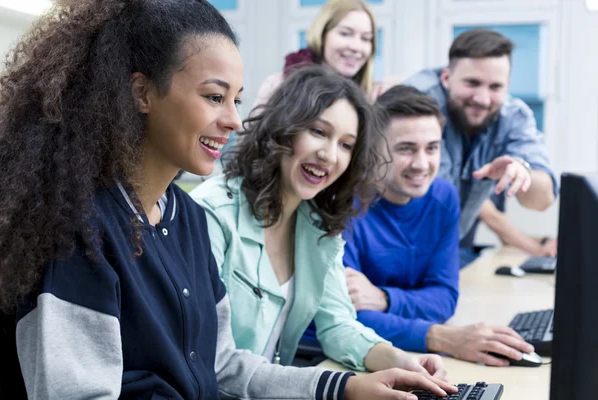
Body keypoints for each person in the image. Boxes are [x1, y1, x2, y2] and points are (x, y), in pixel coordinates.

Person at [0, 1, 456, 399]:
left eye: (236, 99)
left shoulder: (188, 220)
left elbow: (222, 366)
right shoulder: (82, 230)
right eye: (215, 97)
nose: (235, 121)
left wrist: (346, 388)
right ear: (141, 93)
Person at [190, 67, 452, 384]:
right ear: (284, 128)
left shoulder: (315, 222)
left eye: (346, 145)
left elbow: (337, 325)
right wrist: (342, 388)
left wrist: (401, 361)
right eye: (318, 132)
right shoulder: (211, 213)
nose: (330, 155)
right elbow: (215, 361)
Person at [342, 85, 535, 367]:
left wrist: (384, 299)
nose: (422, 164)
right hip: (350, 359)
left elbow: (444, 298)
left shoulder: (443, 197)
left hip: (409, 356)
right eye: (405, 149)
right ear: (372, 149)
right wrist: (442, 338)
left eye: (432, 148)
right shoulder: (343, 204)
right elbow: (345, 316)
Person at [404, 28, 558, 268]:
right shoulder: (415, 103)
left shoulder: (513, 116)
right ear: (446, 77)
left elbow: (542, 200)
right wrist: (530, 244)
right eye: (472, 83)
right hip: (395, 249)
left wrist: (522, 170)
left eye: (495, 87)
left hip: (447, 252)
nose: (482, 99)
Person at [254, 0, 393, 107]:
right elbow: (251, 142)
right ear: (322, 35)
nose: (356, 46)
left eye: (365, 38)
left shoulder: (371, 97)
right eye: (345, 33)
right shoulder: (278, 85)